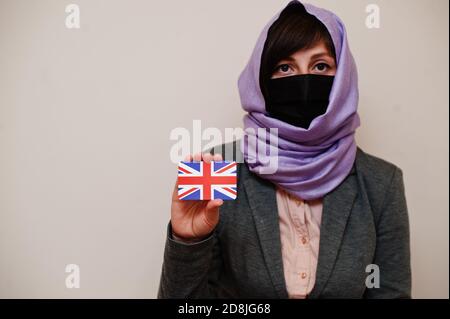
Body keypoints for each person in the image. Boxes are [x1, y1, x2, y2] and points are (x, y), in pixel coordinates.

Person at [158, 0, 411, 298]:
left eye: (321, 66)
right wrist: (187, 241)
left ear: (343, 79)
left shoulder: (382, 182)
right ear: (262, 79)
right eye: (284, 67)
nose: (304, 81)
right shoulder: (217, 165)